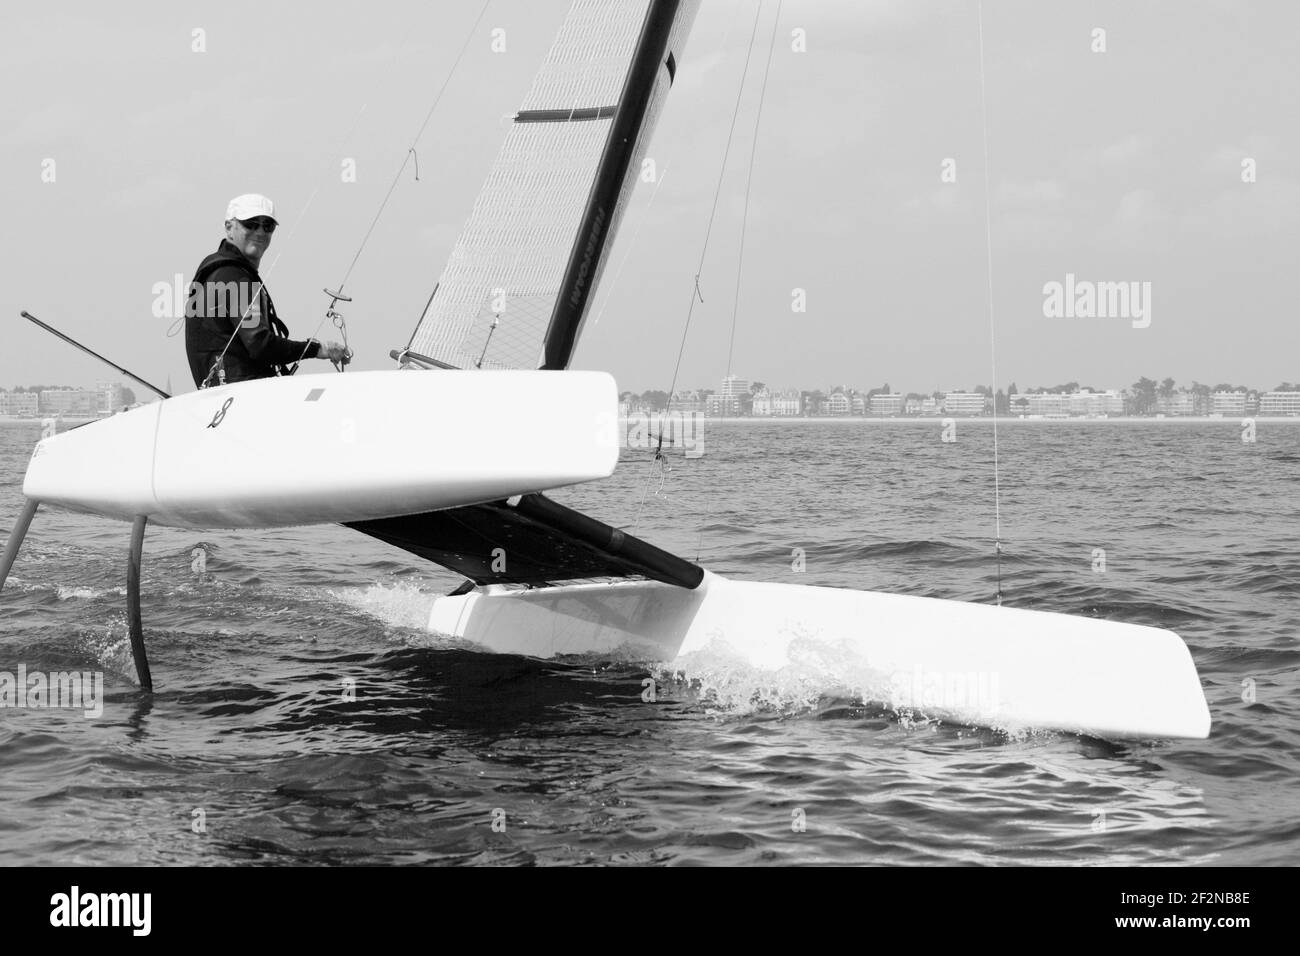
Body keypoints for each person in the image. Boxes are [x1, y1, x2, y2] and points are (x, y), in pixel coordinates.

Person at [185, 193, 349, 388]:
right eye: (251, 224)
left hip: (222, 398)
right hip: (243, 397)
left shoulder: (216, 271)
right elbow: (261, 345)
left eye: (267, 226)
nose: (260, 232)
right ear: (229, 227)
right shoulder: (234, 278)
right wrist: (317, 349)